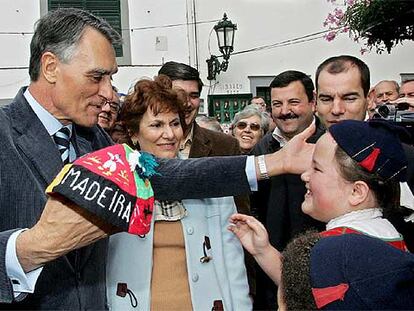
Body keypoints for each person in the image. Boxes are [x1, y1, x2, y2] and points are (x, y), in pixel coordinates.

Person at [0, 8, 315, 309]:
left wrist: (274, 163)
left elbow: (173, 176)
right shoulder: (5, 134)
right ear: (51, 67)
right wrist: (29, 250)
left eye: (111, 78)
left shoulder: (93, 140)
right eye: (97, 77)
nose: (110, 93)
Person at [229, 119, 413, 309]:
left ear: (356, 192)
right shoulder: (389, 235)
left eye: (316, 168)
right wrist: (264, 251)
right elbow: (306, 286)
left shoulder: (333, 251)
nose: (304, 175)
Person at [106, 75, 251, 310]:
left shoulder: (207, 179)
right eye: (156, 125)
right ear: (134, 133)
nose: (170, 134)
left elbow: (233, 263)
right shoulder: (116, 183)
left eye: (175, 123)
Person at [158, 61, 255, 295]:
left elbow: (240, 218)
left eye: (194, 96)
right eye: (179, 94)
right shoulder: (135, 147)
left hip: (212, 273)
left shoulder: (225, 145)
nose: (187, 103)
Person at [315, 55, 414, 251]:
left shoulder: (402, 156)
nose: (337, 109)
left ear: (368, 98)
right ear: (314, 99)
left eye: (349, 98)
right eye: (326, 98)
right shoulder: (301, 155)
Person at [251, 70, 325, 309]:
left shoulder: (329, 144)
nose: (285, 111)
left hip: (321, 269)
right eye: (277, 104)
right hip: (269, 269)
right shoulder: (262, 148)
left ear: (312, 102)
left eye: (293, 102)